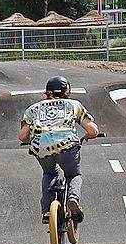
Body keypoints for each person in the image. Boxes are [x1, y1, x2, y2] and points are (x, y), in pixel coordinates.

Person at [18, 75, 100, 225]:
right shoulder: (73, 105)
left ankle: (47, 211)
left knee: (49, 173)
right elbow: (93, 130)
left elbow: (22, 136)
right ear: (67, 91)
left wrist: (35, 138)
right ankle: (73, 198)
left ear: (47, 92)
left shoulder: (33, 109)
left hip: (41, 148)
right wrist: (88, 135)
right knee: (74, 174)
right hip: (67, 146)